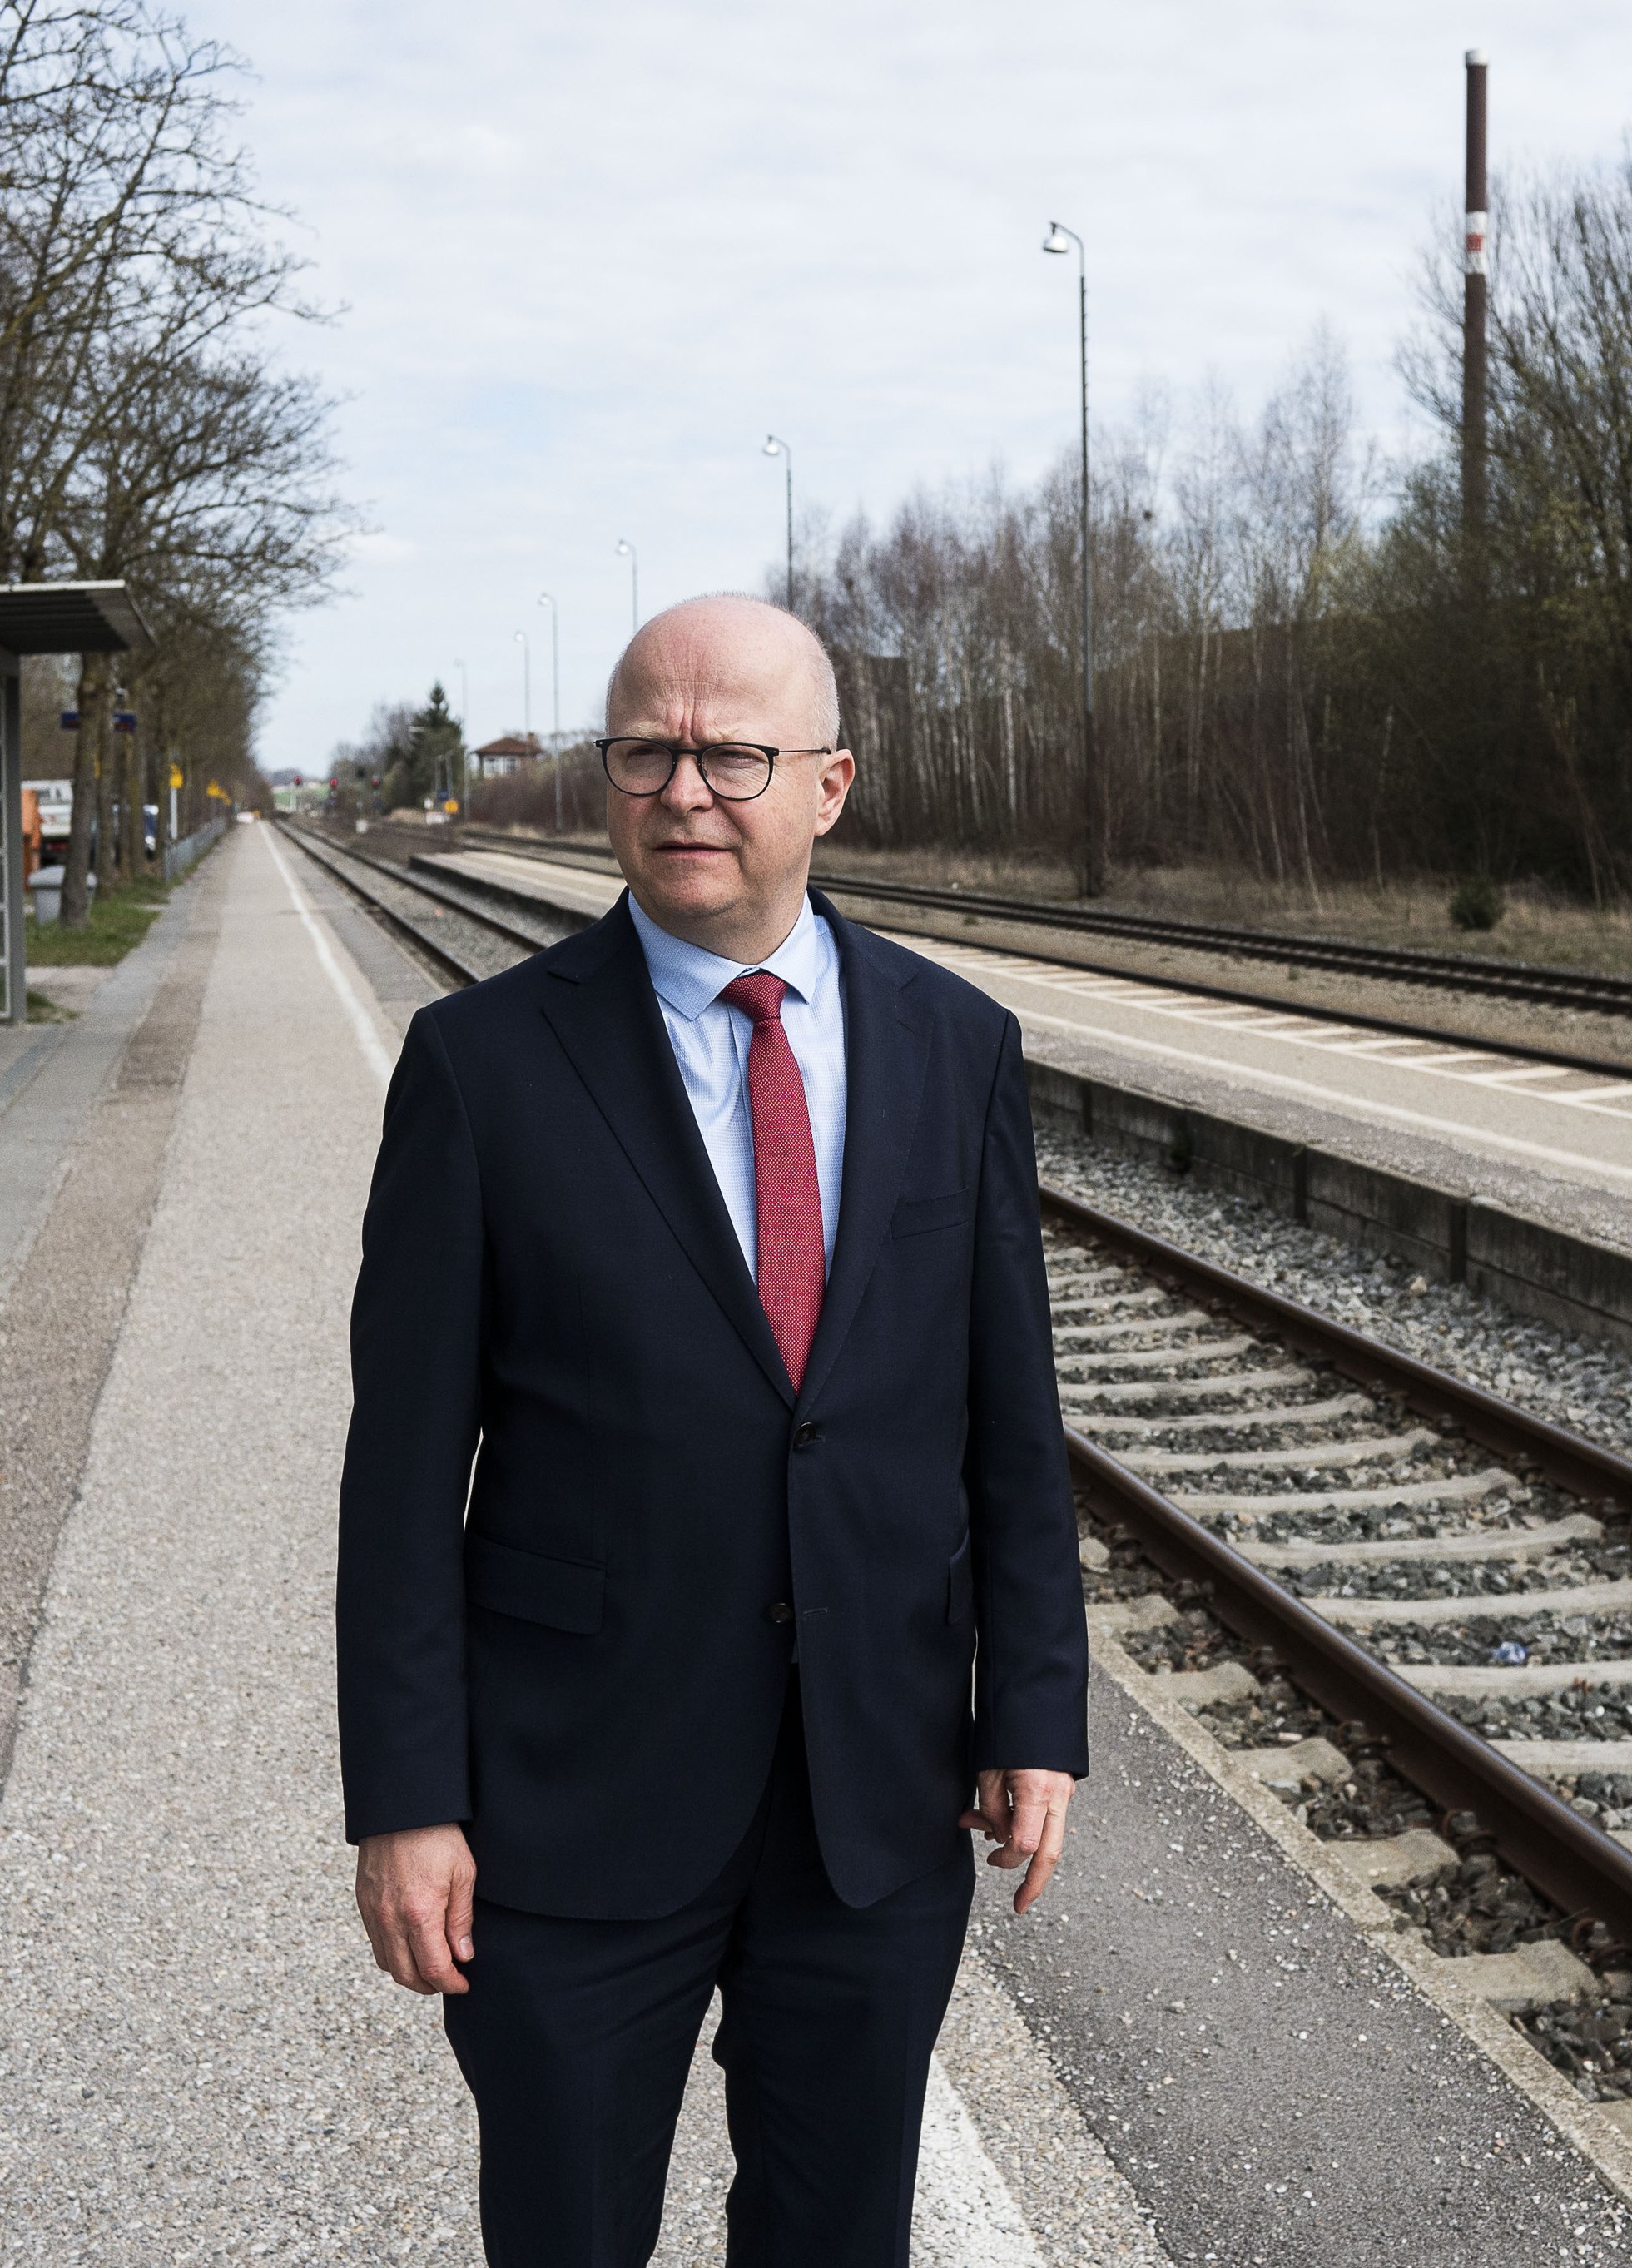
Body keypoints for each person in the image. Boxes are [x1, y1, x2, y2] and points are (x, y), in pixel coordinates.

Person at [336, 594, 1087, 2266]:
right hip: (569, 1806)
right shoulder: (481, 1066)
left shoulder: (954, 1046)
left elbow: (1007, 1419)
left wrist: (1032, 1707)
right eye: (645, 750)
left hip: (872, 1801)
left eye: (728, 753)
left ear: (825, 783)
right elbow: (399, 1476)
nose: (683, 789)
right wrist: (404, 1795)